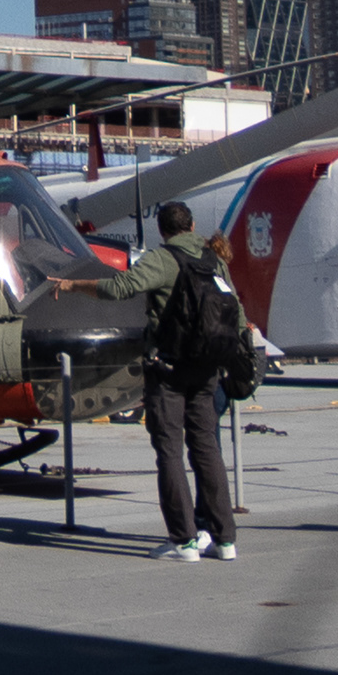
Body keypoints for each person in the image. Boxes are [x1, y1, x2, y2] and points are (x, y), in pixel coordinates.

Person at [96, 198, 248, 560]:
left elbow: (120, 288)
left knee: (169, 452)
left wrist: (75, 287)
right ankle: (225, 540)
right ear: (192, 226)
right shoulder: (216, 260)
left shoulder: (162, 258)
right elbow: (237, 314)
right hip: (208, 370)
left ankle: (184, 541)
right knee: (207, 450)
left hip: (168, 371)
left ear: (163, 230)